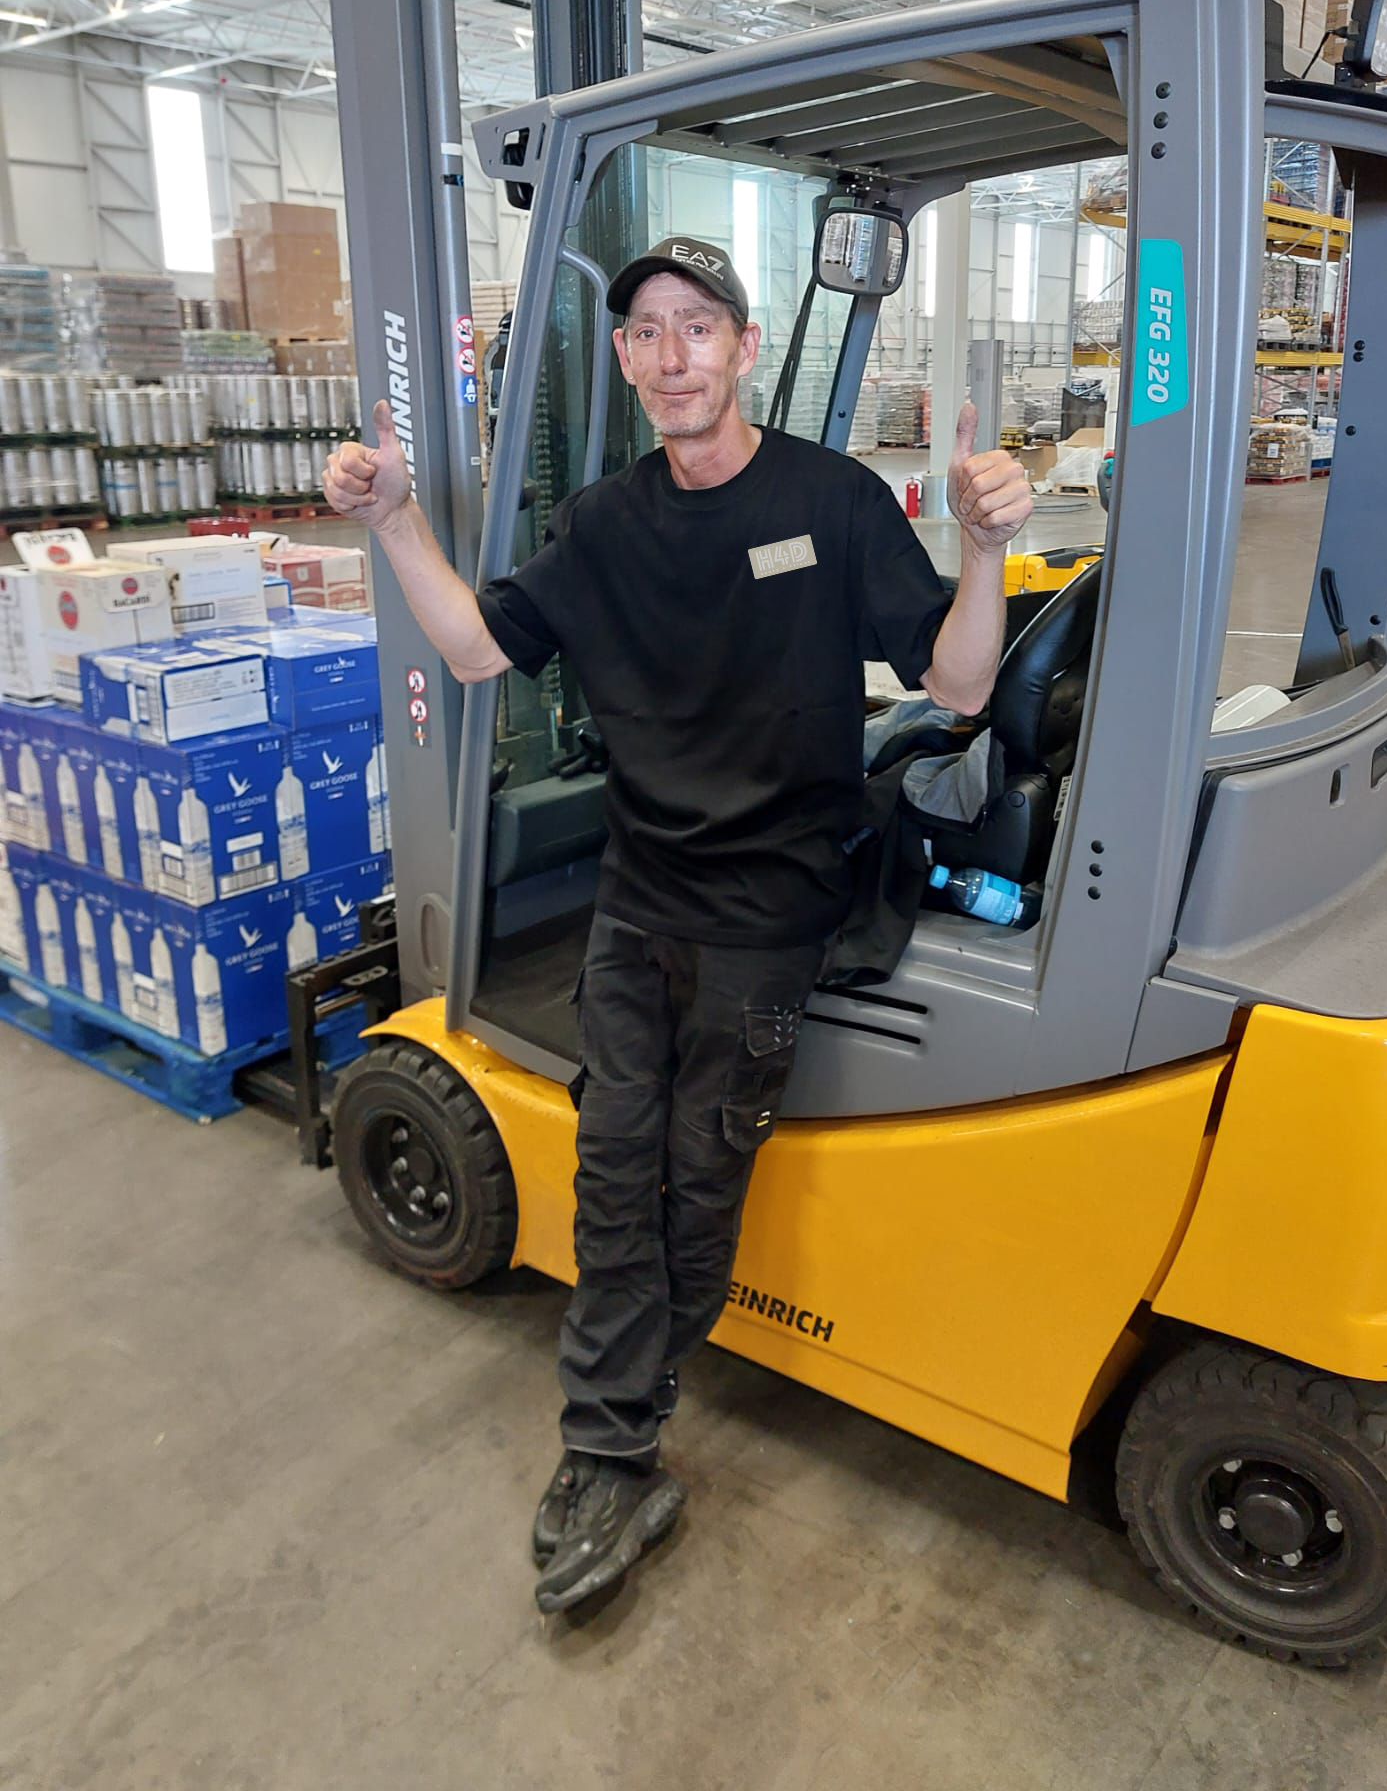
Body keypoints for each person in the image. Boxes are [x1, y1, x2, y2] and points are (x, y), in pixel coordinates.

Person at [323, 236, 1033, 1615]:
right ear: (631, 358)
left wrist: (987, 547)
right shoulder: (602, 525)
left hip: (768, 922)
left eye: (697, 328)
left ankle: (625, 1428)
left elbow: (952, 686)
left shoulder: (829, 503)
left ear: (746, 347)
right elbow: (478, 653)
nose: (669, 356)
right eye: (645, 332)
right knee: (613, 1170)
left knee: (696, 1184)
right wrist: (397, 519)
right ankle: (608, 1443)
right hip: (638, 907)